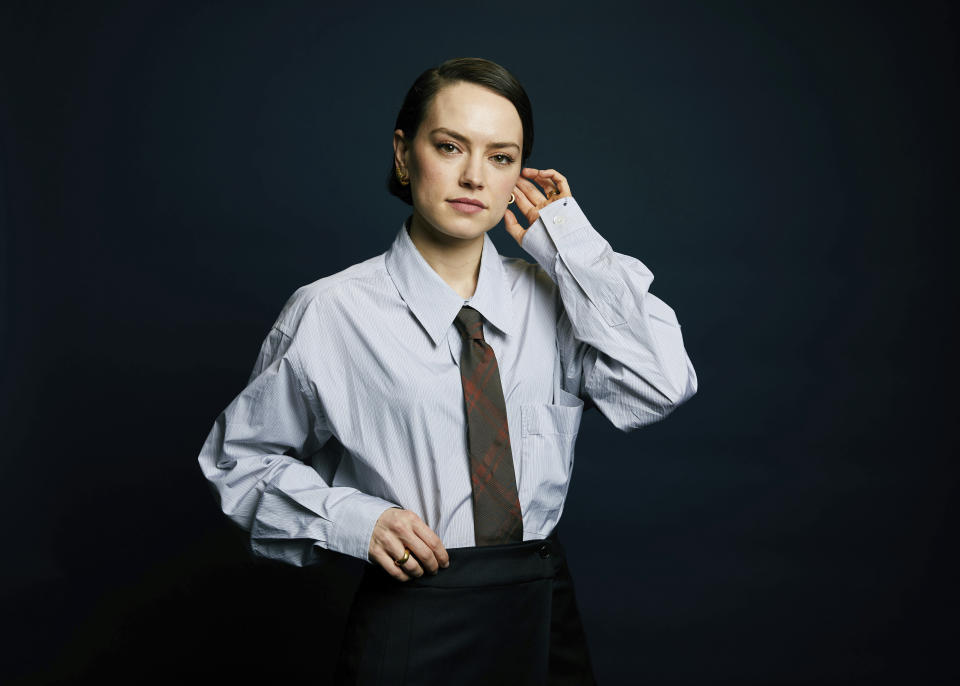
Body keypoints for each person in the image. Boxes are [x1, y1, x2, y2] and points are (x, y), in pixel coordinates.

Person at [197, 57, 697, 685]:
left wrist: (569, 242)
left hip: (541, 611)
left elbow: (662, 384)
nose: (472, 176)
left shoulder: (560, 299)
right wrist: (358, 520)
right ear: (405, 155)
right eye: (449, 146)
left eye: (500, 157)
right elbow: (238, 463)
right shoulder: (330, 312)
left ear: (521, 174)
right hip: (415, 616)